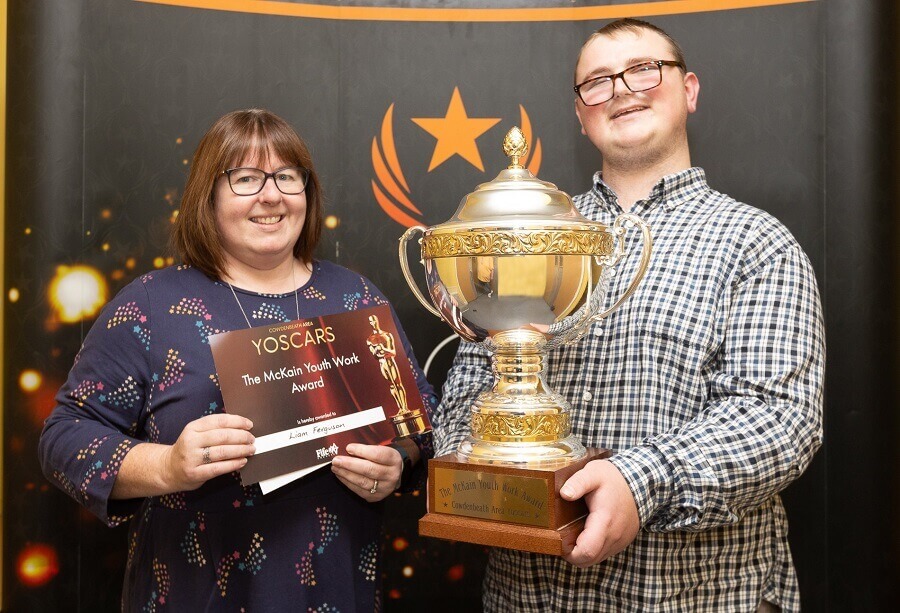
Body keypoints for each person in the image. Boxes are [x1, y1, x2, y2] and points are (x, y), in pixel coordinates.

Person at [434, 18, 824, 612]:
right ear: (581, 114)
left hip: (698, 596)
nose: (620, 89)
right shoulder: (529, 237)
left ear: (688, 90)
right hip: (530, 597)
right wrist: (476, 474)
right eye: (597, 82)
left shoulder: (756, 242)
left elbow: (779, 420)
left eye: (644, 69)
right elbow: (466, 396)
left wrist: (638, 482)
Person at [39, 108, 436, 611]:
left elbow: (421, 423)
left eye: (287, 177)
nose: (271, 195)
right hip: (193, 594)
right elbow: (63, 437)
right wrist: (166, 466)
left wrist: (398, 464)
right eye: (246, 178)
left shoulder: (355, 297)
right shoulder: (151, 304)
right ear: (208, 195)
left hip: (337, 592)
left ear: (306, 194)